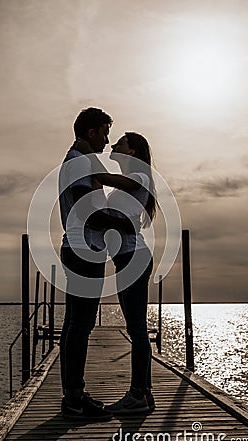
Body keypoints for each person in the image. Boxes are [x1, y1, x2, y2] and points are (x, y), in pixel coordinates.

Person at [59, 107, 135, 420]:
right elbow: (85, 211)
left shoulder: (79, 162)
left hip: (78, 250)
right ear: (91, 132)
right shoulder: (78, 163)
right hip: (82, 251)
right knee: (81, 325)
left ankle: (73, 396)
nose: (106, 141)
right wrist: (123, 224)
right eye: (104, 133)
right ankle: (74, 400)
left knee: (74, 325)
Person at [75, 132, 157, 414]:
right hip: (125, 259)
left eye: (120, 143)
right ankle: (144, 393)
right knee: (137, 329)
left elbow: (114, 180)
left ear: (132, 152)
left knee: (137, 329)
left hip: (133, 257)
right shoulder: (120, 187)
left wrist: (88, 156)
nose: (113, 145)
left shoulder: (140, 177)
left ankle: (138, 395)